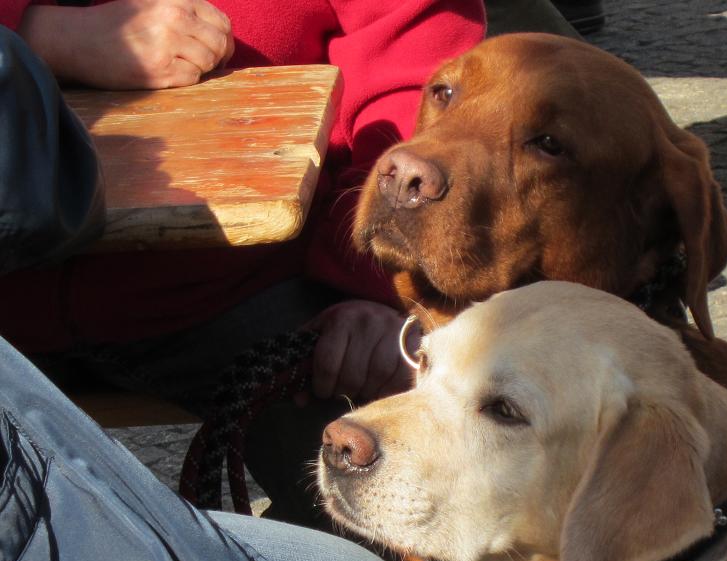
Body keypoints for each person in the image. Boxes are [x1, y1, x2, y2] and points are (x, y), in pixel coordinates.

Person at [0, 0, 486, 521]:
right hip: (10, 295)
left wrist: (377, 287)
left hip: (255, 286)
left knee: (423, 511)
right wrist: (35, 34)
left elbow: (419, 82)